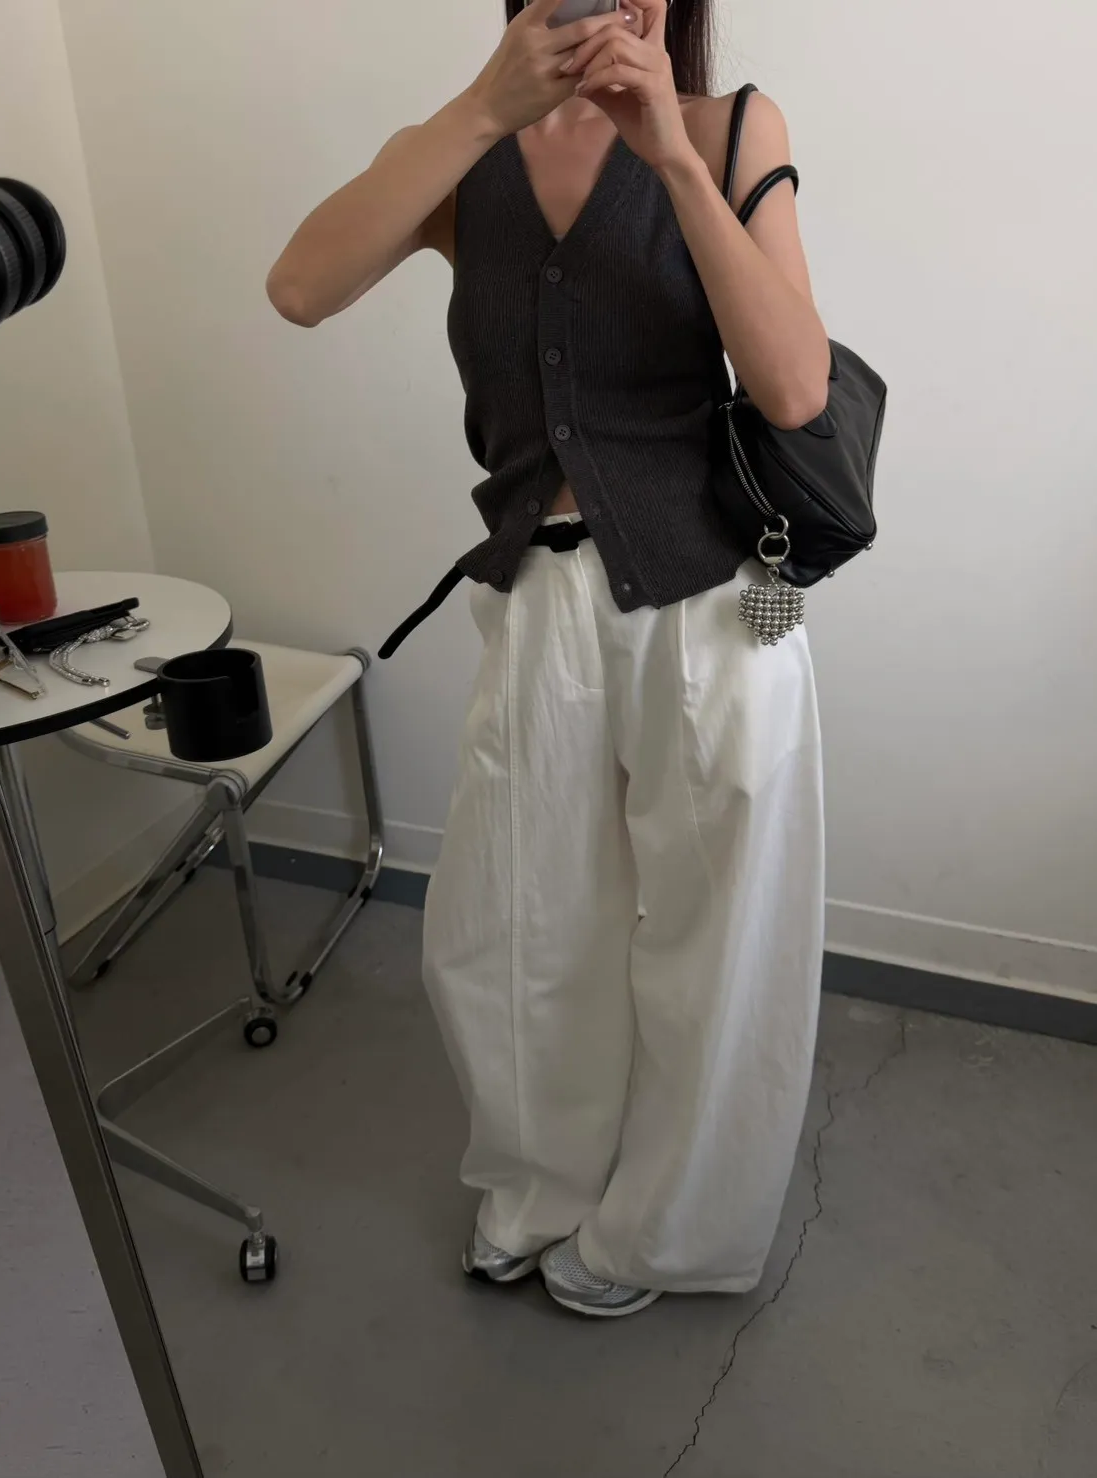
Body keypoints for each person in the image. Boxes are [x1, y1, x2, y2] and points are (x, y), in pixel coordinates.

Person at [267, 0, 830, 1318]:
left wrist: (672, 157)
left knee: (714, 932)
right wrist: (483, 107)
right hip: (539, 592)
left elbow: (796, 386)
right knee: (514, 920)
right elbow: (299, 288)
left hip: (712, 600)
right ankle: (538, 1190)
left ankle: (668, 1232)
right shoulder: (467, 150)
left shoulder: (730, 129)